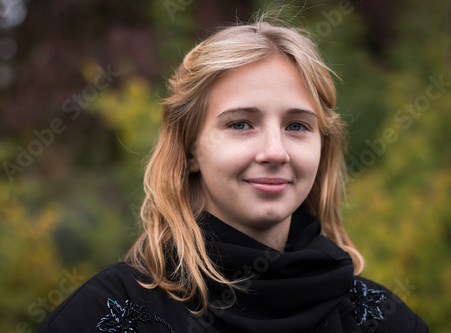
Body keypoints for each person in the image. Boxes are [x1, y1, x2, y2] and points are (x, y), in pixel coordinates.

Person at [38, 20, 428, 333]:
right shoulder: (104, 317)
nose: (275, 151)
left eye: (297, 126)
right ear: (190, 148)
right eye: (241, 124)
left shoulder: (385, 320)